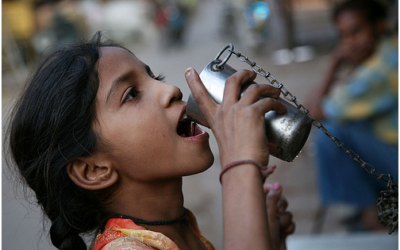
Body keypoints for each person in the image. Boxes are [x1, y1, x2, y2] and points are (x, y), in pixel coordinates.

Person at [7, 31, 295, 250]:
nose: (170, 89)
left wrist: (262, 239)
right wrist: (239, 164)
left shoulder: (181, 229)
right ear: (93, 169)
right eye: (132, 94)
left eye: (154, 76)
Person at [307, 0, 398, 231]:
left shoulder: (382, 67)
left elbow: (313, 111)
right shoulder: (390, 51)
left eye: (355, 32)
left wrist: (335, 61)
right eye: (343, 36)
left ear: (379, 26)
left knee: (332, 134)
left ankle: (369, 218)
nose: (348, 43)